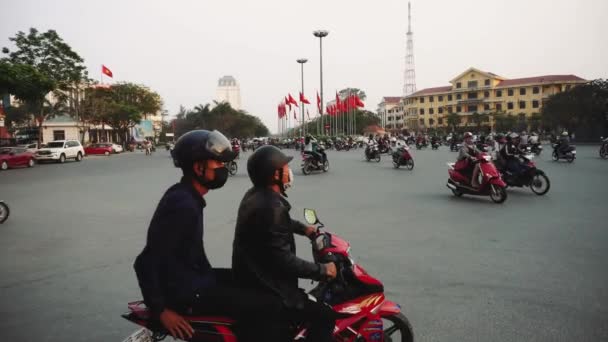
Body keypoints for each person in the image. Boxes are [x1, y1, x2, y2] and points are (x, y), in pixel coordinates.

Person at [134, 130, 278, 342]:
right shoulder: (182, 204)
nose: (223, 169)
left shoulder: (188, 196)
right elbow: (145, 262)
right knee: (270, 306)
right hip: (189, 292)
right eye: (218, 164)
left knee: (254, 282)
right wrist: (161, 311)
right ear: (198, 167)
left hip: (196, 279)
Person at [233, 145, 338, 342]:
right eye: (285, 167)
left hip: (253, 276)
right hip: (269, 287)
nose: (289, 171)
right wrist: (323, 270)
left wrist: (303, 228)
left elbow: (275, 225)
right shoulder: (271, 207)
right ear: (275, 174)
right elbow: (284, 261)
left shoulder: (255, 195)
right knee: (326, 316)